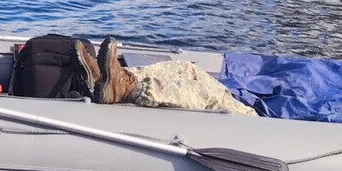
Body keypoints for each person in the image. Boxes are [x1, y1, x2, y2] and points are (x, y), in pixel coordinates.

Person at [78, 37, 256, 116]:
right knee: (187, 68)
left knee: (209, 94)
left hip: (253, 121)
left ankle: (129, 89)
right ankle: (112, 75)